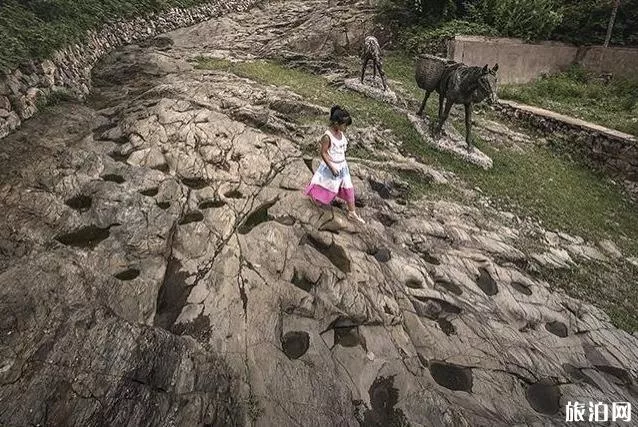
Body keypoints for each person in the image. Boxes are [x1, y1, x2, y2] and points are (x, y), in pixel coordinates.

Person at [304, 105, 366, 224]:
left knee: (348, 187)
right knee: (327, 186)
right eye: (344, 125)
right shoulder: (327, 137)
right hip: (331, 167)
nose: (346, 128)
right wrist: (331, 167)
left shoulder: (341, 133)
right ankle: (316, 199)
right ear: (336, 123)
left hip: (342, 166)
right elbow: (323, 153)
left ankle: (352, 212)